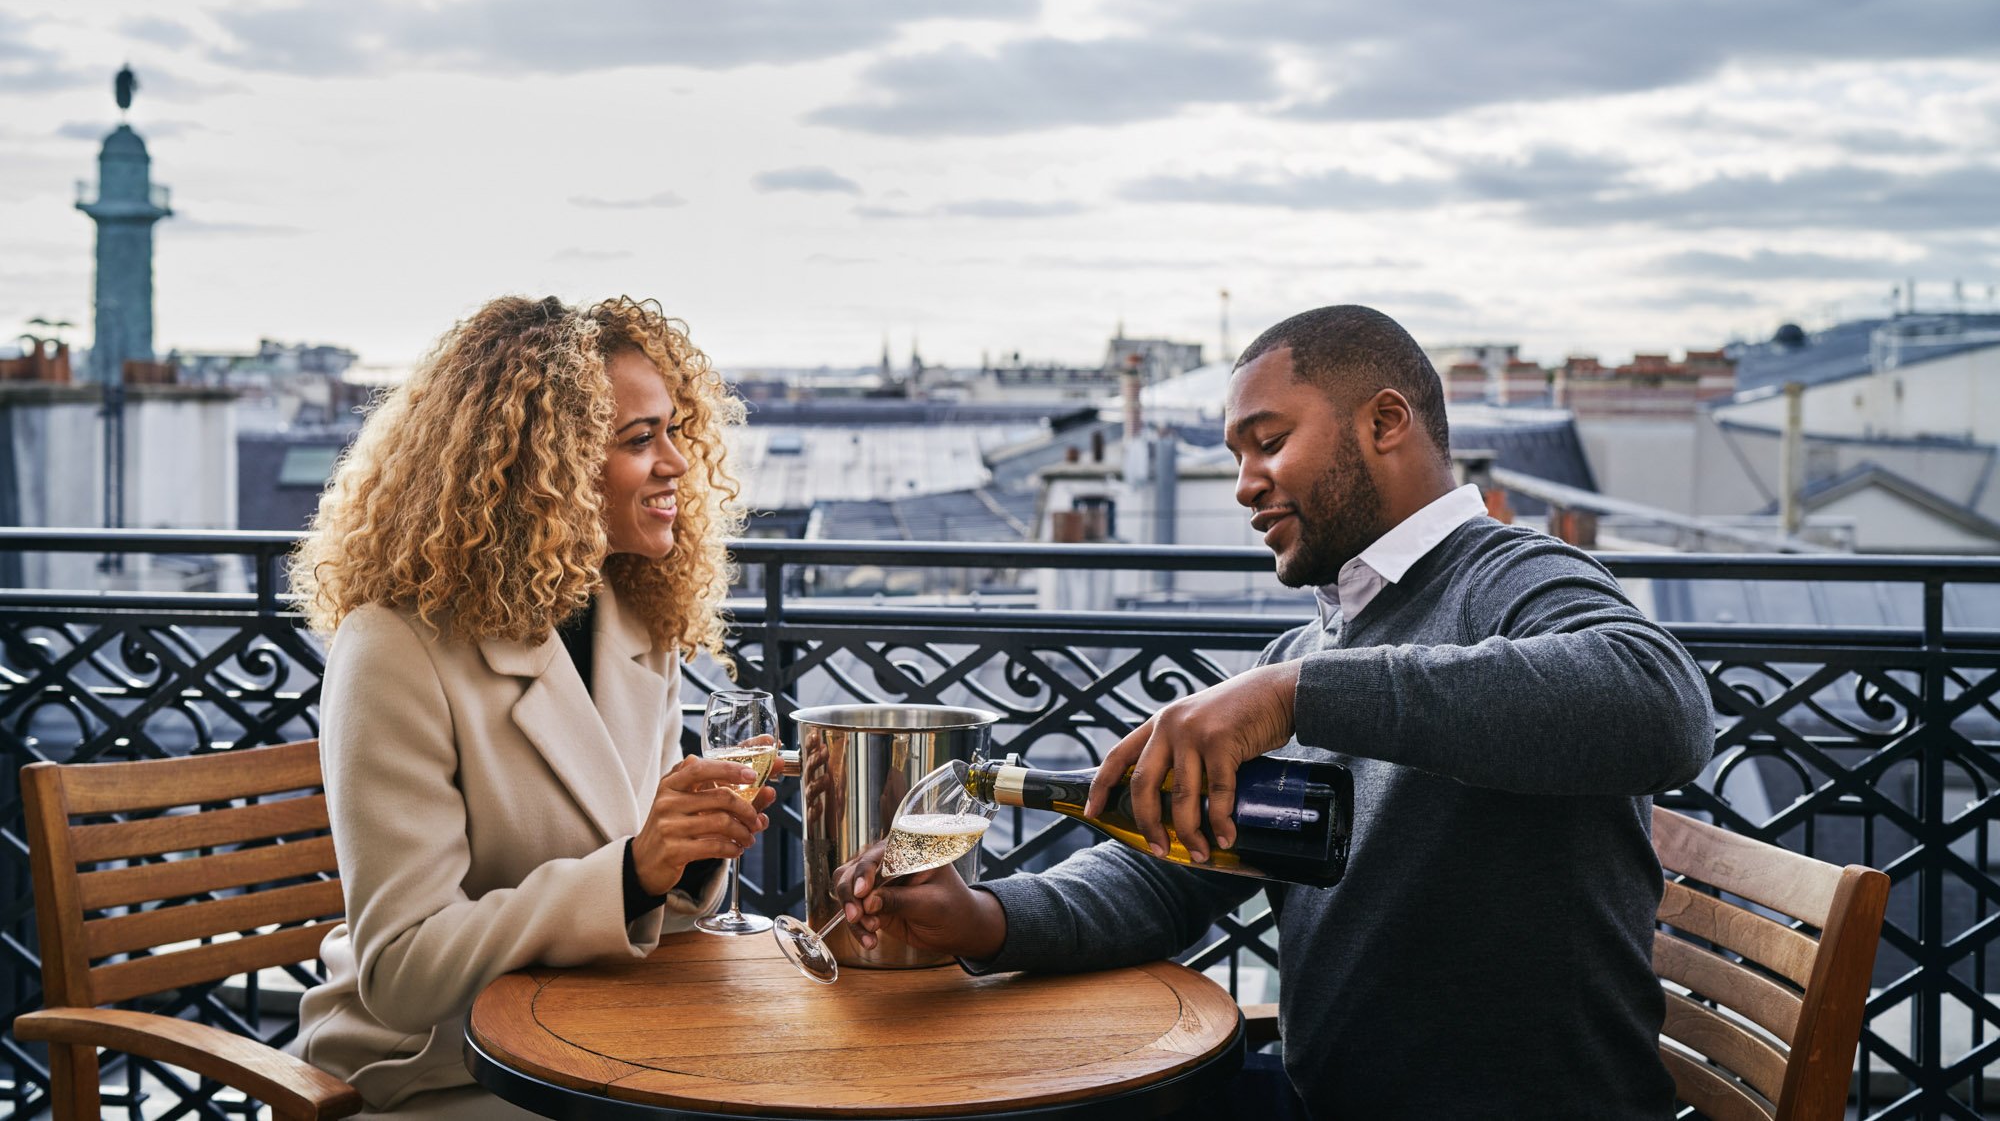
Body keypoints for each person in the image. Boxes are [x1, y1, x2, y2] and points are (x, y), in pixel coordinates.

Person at [843, 305, 1715, 1120]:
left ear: (1384, 422)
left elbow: (1662, 705)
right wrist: (988, 917)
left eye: (1268, 443)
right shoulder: (1313, 641)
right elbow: (1174, 867)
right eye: (1235, 456)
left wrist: (1295, 694)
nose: (1242, 485)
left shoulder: (1510, 573)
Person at [292, 296, 774, 1118]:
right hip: (441, 1071)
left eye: (673, 430)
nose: (678, 465)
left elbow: (640, 872)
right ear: (545, 466)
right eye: (638, 439)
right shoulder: (394, 649)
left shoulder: (634, 619)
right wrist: (631, 873)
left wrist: (689, 853)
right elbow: (404, 970)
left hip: (596, 1037)